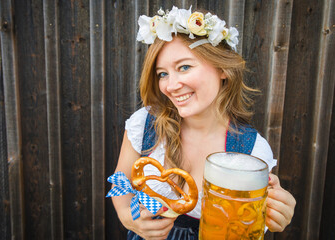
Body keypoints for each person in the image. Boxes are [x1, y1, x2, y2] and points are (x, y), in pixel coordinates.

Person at [110, 6, 296, 240]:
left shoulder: (252, 151)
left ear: (223, 69)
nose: (171, 85)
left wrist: (274, 214)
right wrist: (127, 216)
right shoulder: (146, 122)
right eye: (162, 74)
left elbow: (244, 228)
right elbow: (121, 180)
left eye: (184, 67)